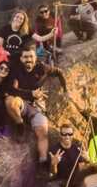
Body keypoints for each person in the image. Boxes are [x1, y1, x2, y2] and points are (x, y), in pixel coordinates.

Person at [6, 40, 68, 176]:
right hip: (22, 102)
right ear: (21, 58)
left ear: (35, 57)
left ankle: (42, 162)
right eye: (26, 57)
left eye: (31, 57)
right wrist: (31, 94)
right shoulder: (16, 69)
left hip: (37, 106)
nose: (28, 59)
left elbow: (58, 71)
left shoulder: (41, 67)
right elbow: (11, 89)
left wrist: (65, 89)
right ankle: (20, 124)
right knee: (10, 101)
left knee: (43, 132)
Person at [45, 122, 88, 187]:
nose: (67, 136)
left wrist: (87, 159)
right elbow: (53, 173)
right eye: (64, 134)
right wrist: (54, 164)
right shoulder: (54, 150)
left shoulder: (77, 148)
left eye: (69, 134)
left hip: (75, 181)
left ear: (72, 135)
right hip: (62, 181)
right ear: (60, 135)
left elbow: (82, 168)